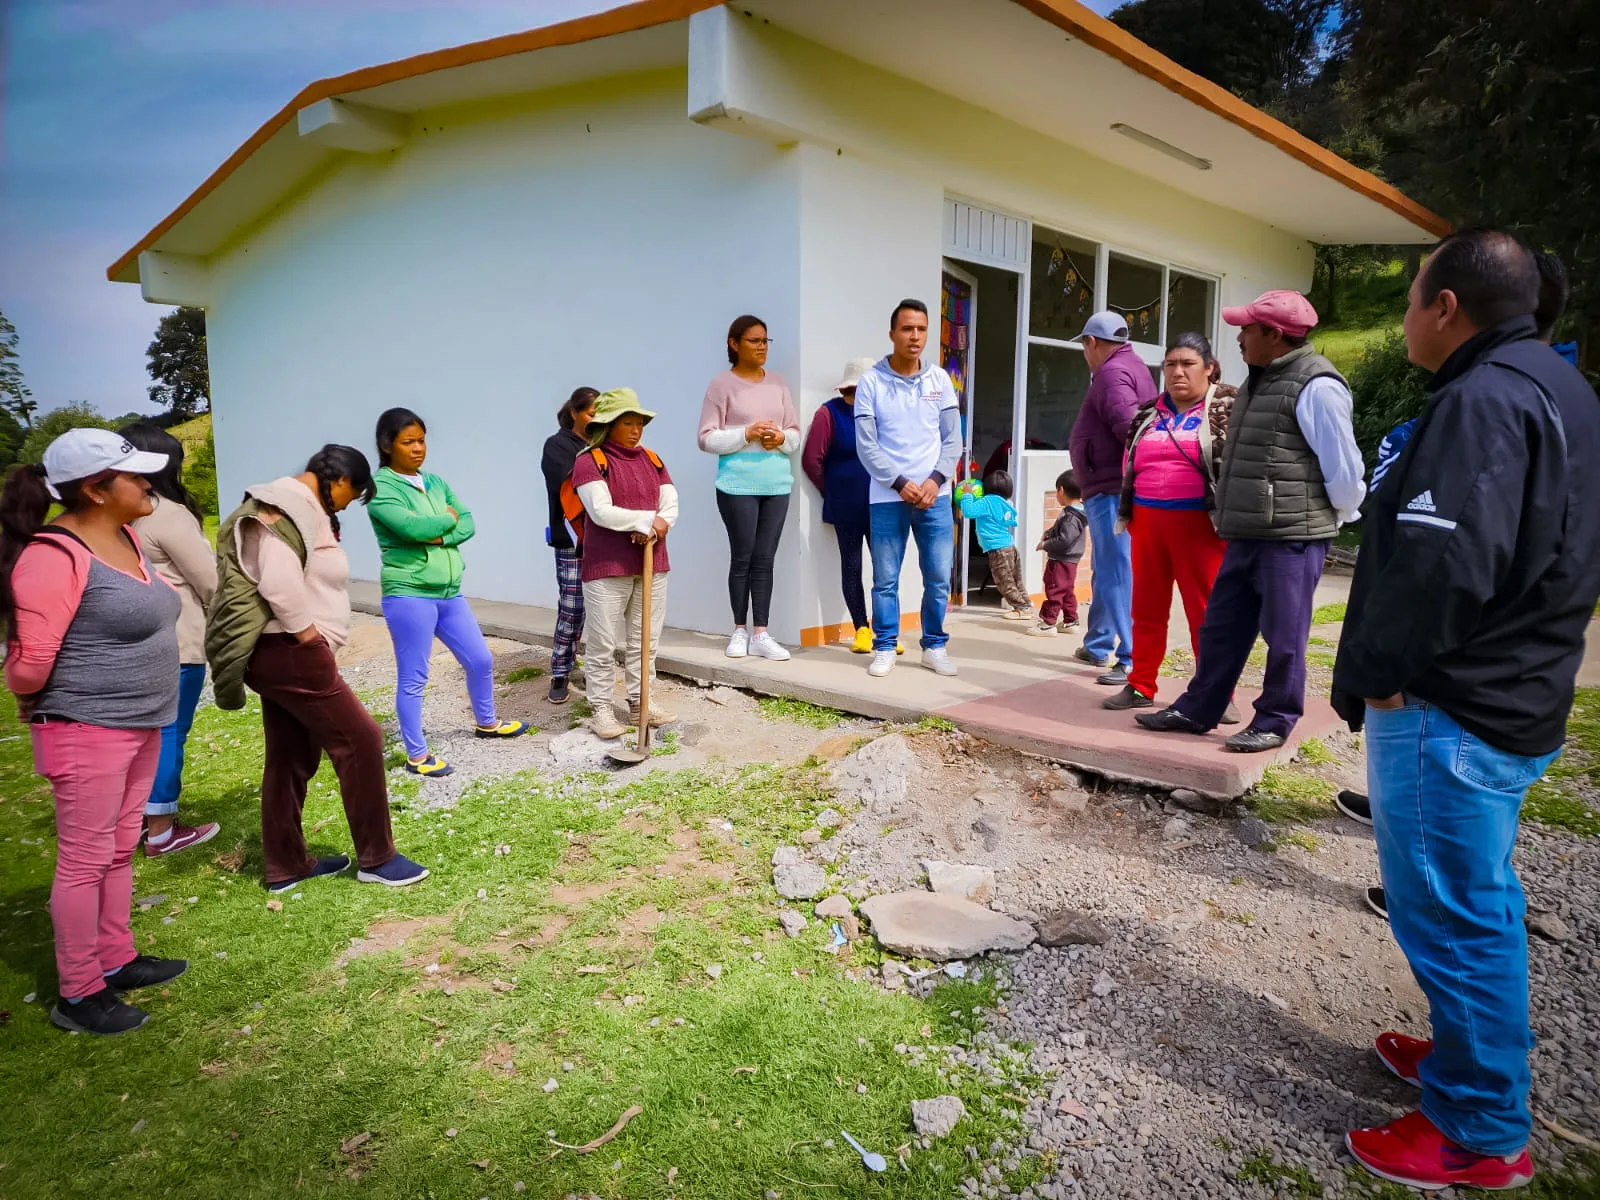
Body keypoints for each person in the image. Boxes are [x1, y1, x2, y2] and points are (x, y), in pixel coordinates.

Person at [1331, 228, 1600, 1191]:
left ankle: (1481, 1132)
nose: (1405, 313)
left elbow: (1446, 563)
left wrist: (1386, 673)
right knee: (1469, 896)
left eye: (1411, 297)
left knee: (1454, 913)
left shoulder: (1487, 398)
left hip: (1455, 704)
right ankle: (1461, 1064)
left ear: (1447, 307)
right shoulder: (1555, 383)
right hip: (1509, 691)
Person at [2, 428, 189, 1035]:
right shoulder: (51, 556)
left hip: (140, 720)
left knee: (116, 847)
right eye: (135, 475)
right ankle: (79, 992)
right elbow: (29, 665)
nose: (148, 483)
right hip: (85, 726)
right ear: (95, 488)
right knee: (84, 860)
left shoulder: (127, 535)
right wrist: (35, 695)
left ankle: (117, 957)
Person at [1136, 290, 1365, 752]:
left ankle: (1276, 719)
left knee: (1284, 634)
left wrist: (1329, 519)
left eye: (1247, 329)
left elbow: (1345, 469)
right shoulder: (1260, 380)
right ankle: (1199, 708)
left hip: (1292, 536)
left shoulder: (1317, 385)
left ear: (1275, 335)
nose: (1238, 338)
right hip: (1245, 530)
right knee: (1221, 626)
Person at [208, 445, 428, 893]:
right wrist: (310, 638)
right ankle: (377, 858)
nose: (348, 505)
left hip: (281, 650)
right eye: (354, 495)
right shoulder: (282, 511)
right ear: (341, 481)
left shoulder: (297, 508)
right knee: (361, 740)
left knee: (291, 755)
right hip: (289, 649)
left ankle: (285, 866)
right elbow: (277, 582)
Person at [367, 408, 528, 779]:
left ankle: (486, 723)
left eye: (422, 440)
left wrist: (440, 532)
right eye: (409, 442)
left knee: (481, 659)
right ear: (387, 445)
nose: (418, 448)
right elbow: (409, 528)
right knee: (414, 677)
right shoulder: (380, 489)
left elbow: (467, 521)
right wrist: (447, 521)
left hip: (450, 592)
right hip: (409, 593)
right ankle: (417, 755)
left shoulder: (435, 482)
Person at [1103, 333, 1233, 713]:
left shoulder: (1228, 408)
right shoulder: (1148, 412)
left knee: (1206, 613)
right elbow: (1129, 461)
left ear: (1209, 368)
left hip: (1200, 526)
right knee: (1146, 609)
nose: (1178, 372)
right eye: (1171, 364)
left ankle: (1217, 694)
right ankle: (1141, 684)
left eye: (1188, 364)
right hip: (1147, 522)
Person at [119, 421, 221, 856]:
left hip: (132, 642)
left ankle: (135, 822)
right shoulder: (167, 513)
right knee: (168, 734)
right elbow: (211, 581)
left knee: (140, 735)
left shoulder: (118, 516)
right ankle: (161, 829)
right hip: (177, 642)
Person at [855, 299, 962, 679]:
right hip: (887, 497)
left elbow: (953, 441)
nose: (914, 336)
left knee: (937, 576)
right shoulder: (871, 382)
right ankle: (885, 646)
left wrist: (935, 481)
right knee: (885, 578)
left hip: (936, 497)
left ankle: (934, 645)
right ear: (892, 334)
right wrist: (899, 483)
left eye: (921, 329)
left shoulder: (940, 382)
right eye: (906, 329)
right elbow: (866, 445)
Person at [571, 389, 679, 739]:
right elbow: (600, 511)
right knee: (603, 643)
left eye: (639, 423)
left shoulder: (652, 459)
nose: (636, 430)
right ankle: (601, 707)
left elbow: (671, 503)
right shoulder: (590, 461)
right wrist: (647, 522)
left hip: (652, 560)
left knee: (645, 640)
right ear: (608, 425)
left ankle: (640, 702)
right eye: (627, 423)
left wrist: (658, 526)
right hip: (608, 564)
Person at [698, 315, 800, 662]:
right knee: (742, 557)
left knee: (765, 559)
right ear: (734, 343)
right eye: (754, 341)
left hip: (776, 484)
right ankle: (739, 630)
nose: (761, 347)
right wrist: (747, 434)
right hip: (736, 484)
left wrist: (781, 438)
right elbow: (706, 438)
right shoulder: (721, 385)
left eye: (765, 341)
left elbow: (795, 435)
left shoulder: (779, 384)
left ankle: (762, 634)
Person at [1068, 311, 1157, 686]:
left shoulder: (1111, 373)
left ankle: (1131, 657)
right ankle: (1099, 642)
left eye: (1084, 346)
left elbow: (1131, 426)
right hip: (1113, 484)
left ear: (1091, 343)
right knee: (1107, 567)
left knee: (1118, 571)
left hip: (1111, 487)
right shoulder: (1133, 365)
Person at [802, 357, 901, 654]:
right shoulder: (829, 413)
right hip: (846, 504)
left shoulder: (881, 415)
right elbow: (812, 460)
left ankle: (886, 633)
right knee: (852, 566)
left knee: (886, 570)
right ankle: (861, 630)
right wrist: (831, 491)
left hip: (881, 504)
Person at [542, 387, 599, 704]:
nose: (596, 420)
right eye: (591, 413)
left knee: (603, 610)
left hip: (606, 538)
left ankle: (595, 669)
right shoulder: (557, 445)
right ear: (575, 413)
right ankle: (560, 671)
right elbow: (573, 484)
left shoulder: (603, 444)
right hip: (572, 539)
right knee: (573, 608)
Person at [956, 471, 1033, 620]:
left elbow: (968, 511)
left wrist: (967, 494)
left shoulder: (987, 502)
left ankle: (1022, 608)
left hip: (999, 550)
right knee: (1016, 580)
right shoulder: (1006, 503)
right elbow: (1012, 520)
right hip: (1010, 547)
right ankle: (1026, 604)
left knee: (1004, 581)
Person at [1028, 470, 1086, 637]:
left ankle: (1048, 623)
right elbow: (1061, 532)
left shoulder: (1070, 516)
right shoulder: (1077, 512)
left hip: (1060, 560)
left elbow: (1065, 540)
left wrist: (1045, 544)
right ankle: (1070, 621)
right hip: (1070, 560)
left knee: (1054, 589)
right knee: (1066, 590)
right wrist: (1050, 532)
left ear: (1061, 491)